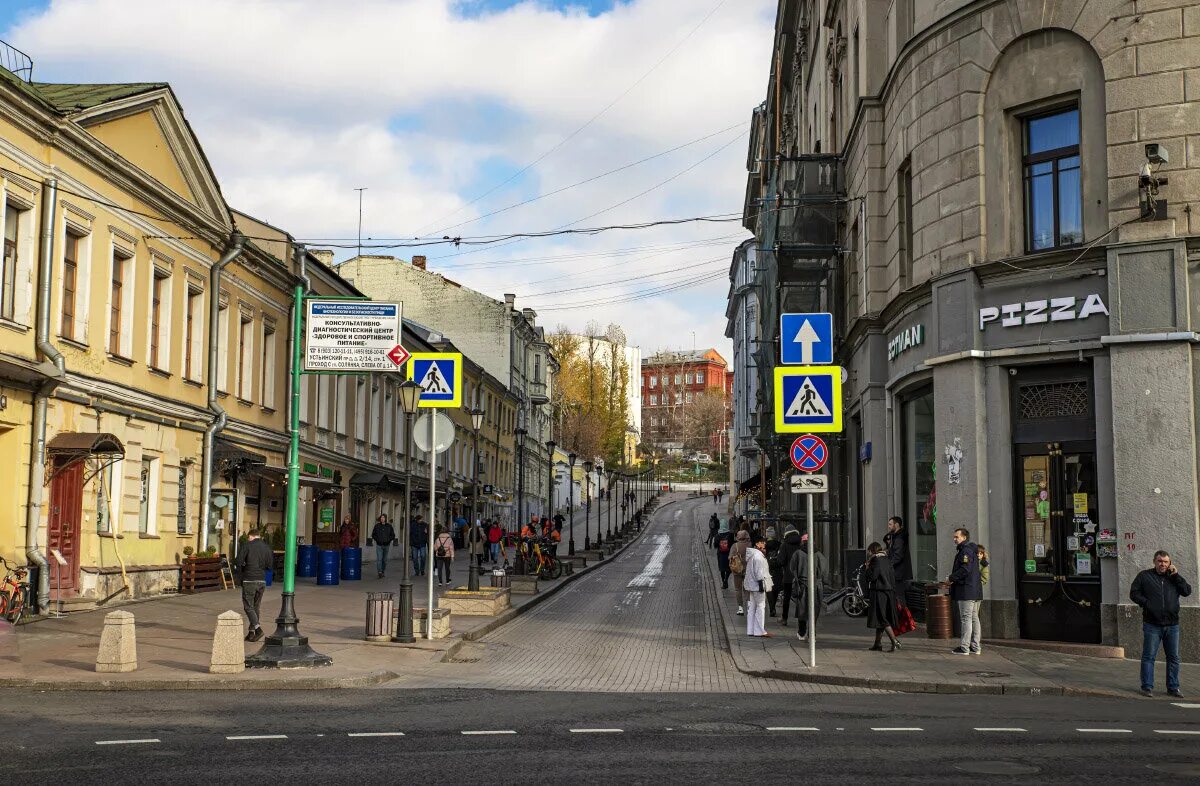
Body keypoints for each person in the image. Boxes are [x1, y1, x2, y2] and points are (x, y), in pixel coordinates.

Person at [1130, 550, 1192, 698]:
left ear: (1170, 563)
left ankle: (1173, 687)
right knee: (1149, 656)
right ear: (1154, 561)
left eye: (1165, 561)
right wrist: (1147, 603)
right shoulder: (1144, 576)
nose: (1162, 564)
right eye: (1160, 561)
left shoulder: (1174, 578)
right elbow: (1134, 593)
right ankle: (1147, 687)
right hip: (1152, 624)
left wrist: (1176, 576)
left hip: (1172, 625)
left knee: (1173, 657)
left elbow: (1187, 591)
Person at [947, 527, 983, 655]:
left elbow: (965, 569)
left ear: (964, 537)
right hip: (975, 589)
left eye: (957, 537)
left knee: (966, 618)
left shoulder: (965, 551)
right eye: (954, 537)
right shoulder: (971, 550)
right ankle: (975, 646)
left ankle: (964, 647)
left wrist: (951, 578)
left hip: (966, 590)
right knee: (974, 618)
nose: (954, 539)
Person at [790, 532, 828, 641]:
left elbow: (792, 568)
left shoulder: (797, 553)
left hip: (802, 585)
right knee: (814, 610)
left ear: (803, 542)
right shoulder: (819, 554)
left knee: (802, 610)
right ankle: (812, 634)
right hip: (816, 586)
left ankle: (801, 633)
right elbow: (824, 572)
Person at [237, 529, 274, 642]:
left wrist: (243, 570)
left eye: (248, 537)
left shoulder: (247, 545)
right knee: (256, 607)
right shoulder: (267, 547)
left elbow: (238, 562)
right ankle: (251, 633)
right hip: (262, 580)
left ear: (252, 536)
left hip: (249, 579)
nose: (248, 539)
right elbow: (270, 565)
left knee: (248, 606)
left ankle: (258, 629)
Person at [865, 542, 900, 651]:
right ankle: (877, 643)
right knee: (881, 618)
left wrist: (867, 568)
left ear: (872, 550)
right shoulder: (887, 559)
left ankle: (895, 641)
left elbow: (872, 577)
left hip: (879, 592)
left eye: (869, 551)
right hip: (889, 592)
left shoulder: (876, 560)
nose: (868, 553)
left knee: (882, 618)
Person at [743, 535, 773, 637]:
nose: (764, 543)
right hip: (757, 585)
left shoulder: (752, 555)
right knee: (760, 607)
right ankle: (759, 630)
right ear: (757, 544)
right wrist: (761, 584)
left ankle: (750, 630)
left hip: (751, 584)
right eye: (762, 542)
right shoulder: (758, 557)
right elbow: (759, 572)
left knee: (752, 607)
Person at [884, 515, 912, 607]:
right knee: (898, 596)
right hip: (898, 572)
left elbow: (898, 556)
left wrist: (888, 565)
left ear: (896, 525)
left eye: (890, 524)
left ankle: (904, 619)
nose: (889, 526)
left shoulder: (899, 538)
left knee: (899, 596)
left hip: (899, 573)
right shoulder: (896, 536)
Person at [777, 526, 803, 626]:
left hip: (788, 575)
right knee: (800, 597)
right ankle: (801, 618)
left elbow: (781, 561)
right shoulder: (800, 544)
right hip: (800, 575)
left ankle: (784, 618)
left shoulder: (784, 545)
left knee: (787, 597)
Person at [730, 530, 751, 616]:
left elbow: (730, 557)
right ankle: (749, 606)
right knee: (747, 589)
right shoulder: (750, 545)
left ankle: (740, 608)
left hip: (737, 570)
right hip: (747, 570)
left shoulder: (735, 546)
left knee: (738, 589)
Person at [764, 527, 783, 617]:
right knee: (775, 589)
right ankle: (773, 606)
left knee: (769, 589)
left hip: (767, 569)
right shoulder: (779, 544)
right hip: (777, 569)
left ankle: (772, 608)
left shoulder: (764, 545)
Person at [371, 514, 396, 579]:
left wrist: (388, 540)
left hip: (386, 545)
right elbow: (373, 534)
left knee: (384, 560)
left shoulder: (389, 526)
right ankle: (379, 572)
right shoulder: (377, 526)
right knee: (379, 559)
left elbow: (393, 535)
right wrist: (377, 540)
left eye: (383, 518)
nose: (382, 519)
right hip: (379, 545)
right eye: (381, 518)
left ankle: (383, 571)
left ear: (385, 519)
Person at [714, 519, 735, 589]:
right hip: (729, 554)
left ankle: (724, 582)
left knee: (722, 569)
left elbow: (715, 545)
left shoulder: (718, 535)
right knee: (729, 568)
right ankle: (726, 579)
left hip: (720, 555)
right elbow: (733, 544)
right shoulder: (731, 535)